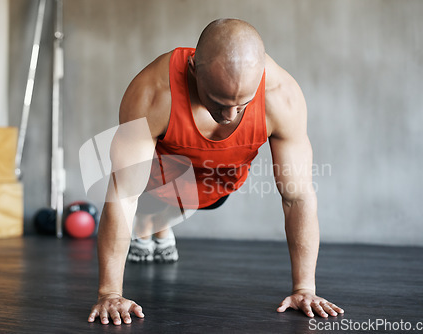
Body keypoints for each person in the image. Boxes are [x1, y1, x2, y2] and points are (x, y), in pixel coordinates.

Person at [88, 18, 344, 326]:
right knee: (138, 187)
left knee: (203, 198)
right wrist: (109, 293)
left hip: (218, 184)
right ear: (194, 69)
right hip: (161, 179)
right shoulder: (154, 92)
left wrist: (305, 289)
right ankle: (156, 223)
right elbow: (123, 194)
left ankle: (159, 222)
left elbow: (297, 196)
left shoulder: (281, 96)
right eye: (218, 103)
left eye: (242, 105)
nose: (228, 116)